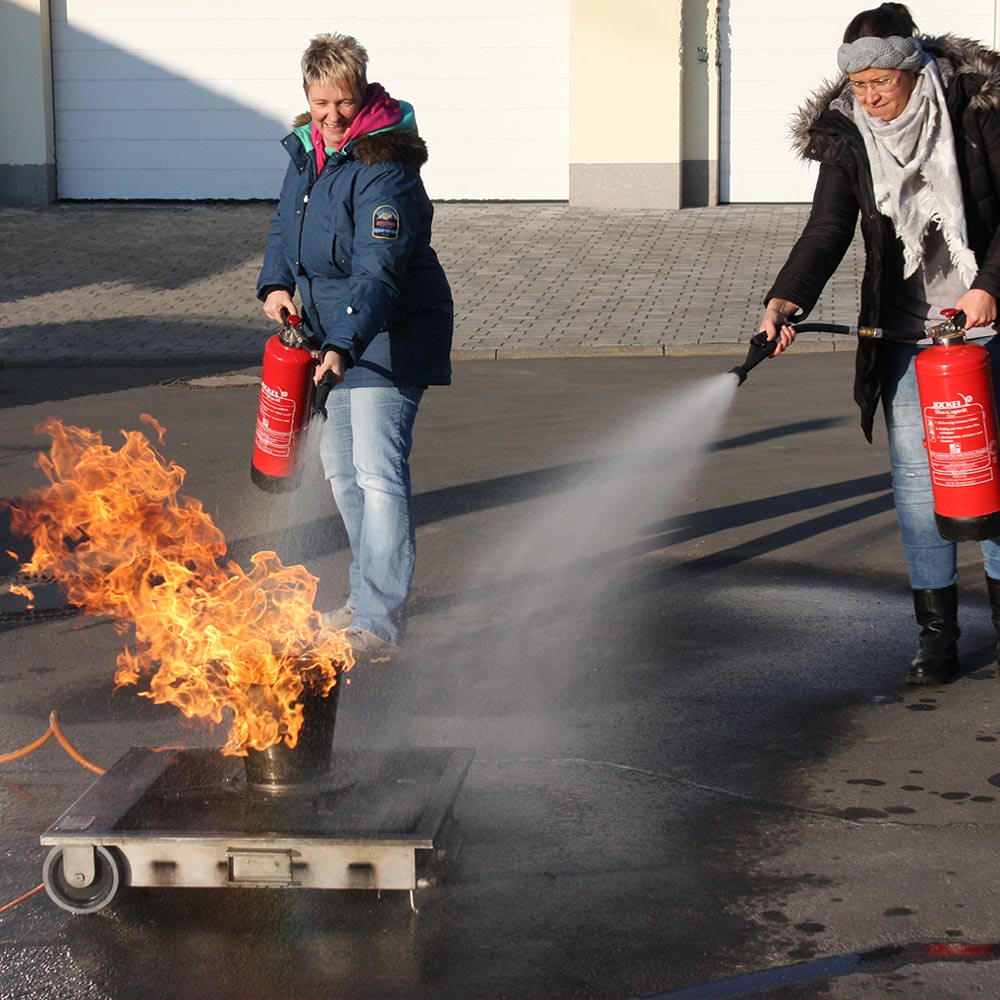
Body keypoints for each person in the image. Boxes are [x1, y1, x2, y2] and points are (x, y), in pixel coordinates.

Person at [758, 3, 1000, 685]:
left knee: (987, 470)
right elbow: (827, 228)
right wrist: (786, 299)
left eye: (879, 84)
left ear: (912, 69)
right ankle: (937, 636)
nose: (868, 98)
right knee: (920, 486)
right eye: (858, 85)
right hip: (903, 328)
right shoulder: (850, 130)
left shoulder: (979, 108)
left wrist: (988, 285)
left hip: (985, 323)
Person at [257, 32, 453, 660]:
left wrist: (342, 343)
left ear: (362, 92)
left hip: (386, 332)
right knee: (342, 474)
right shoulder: (307, 150)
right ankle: (364, 597)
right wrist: (276, 284)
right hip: (329, 335)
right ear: (306, 98)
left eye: (343, 102)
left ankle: (381, 618)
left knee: (377, 473)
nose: (333, 117)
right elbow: (285, 224)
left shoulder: (383, 163)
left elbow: (380, 269)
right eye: (320, 104)